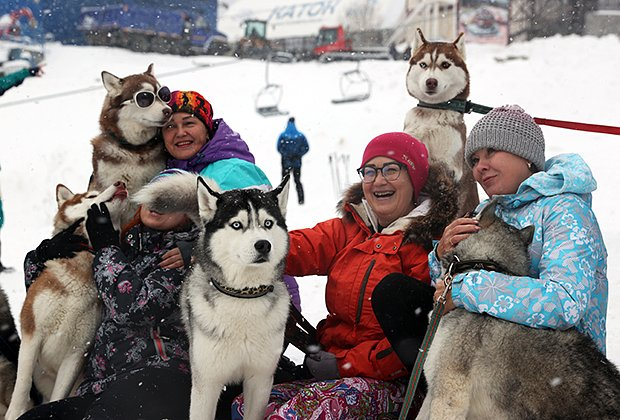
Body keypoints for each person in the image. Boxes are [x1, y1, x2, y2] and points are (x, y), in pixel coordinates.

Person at [232, 132, 457, 418]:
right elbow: (295, 248)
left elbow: (418, 339)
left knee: (294, 415)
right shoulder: (350, 229)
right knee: (247, 405)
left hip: (395, 384)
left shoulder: (430, 244)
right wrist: (239, 246)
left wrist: (346, 364)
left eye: (391, 169)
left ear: (414, 178)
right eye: (370, 171)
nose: (378, 180)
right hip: (335, 370)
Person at [20, 183, 199, 419]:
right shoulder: (125, 247)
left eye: (170, 201)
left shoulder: (183, 258)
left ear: (189, 214)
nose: (157, 204)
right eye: (152, 197)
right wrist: (44, 253)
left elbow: (133, 309)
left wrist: (106, 248)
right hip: (101, 384)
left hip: (158, 375)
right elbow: (46, 293)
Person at [276, 116, 309, 205]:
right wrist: (298, 154)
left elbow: (279, 148)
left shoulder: (283, 136)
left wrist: (286, 155)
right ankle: (301, 200)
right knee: (297, 181)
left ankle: (281, 201)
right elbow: (306, 148)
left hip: (286, 163)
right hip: (297, 163)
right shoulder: (300, 136)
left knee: (284, 183)